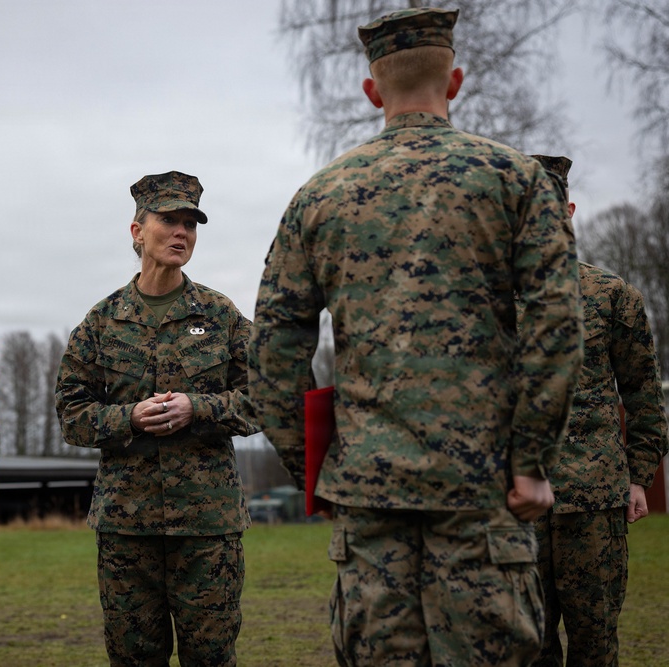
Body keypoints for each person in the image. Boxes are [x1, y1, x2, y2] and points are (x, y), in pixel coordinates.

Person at [248, 8, 584, 666]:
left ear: (372, 91)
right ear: (454, 81)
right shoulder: (517, 182)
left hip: (370, 498)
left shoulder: (321, 196)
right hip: (486, 492)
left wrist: (321, 473)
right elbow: (556, 326)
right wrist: (529, 460)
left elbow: (273, 349)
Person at [55, 171, 258, 666]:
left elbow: (271, 396)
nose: (181, 233)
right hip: (128, 529)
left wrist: (200, 408)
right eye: (168, 220)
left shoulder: (221, 316)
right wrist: (128, 418)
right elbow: (71, 413)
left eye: (190, 223)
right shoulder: (102, 322)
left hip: (207, 528)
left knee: (210, 657)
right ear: (136, 231)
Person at [527, 155, 669, 667]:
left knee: (595, 647)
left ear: (569, 209)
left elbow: (644, 398)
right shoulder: (490, 303)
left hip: (595, 505)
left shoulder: (612, 298)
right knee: (526, 648)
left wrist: (639, 477)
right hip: (516, 507)